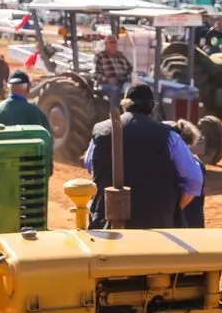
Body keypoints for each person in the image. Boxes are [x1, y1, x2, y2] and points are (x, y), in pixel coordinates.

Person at [83, 83, 203, 229]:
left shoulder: (101, 131)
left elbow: (90, 165)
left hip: (106, 223)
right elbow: (194, 179)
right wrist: (172, 208)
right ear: (152, 106)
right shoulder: (168, 136)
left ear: (124, 104)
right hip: (155, 227)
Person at [92, 34, 132, 109]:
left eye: (115, 42)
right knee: (115, 90)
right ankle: (114, 115)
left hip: (122, 82)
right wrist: (107, 79)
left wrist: (131, 76)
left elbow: (130, 69)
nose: (113, 44)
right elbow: (95, 75)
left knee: (134, 89)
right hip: (105, 84)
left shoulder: (121, 55)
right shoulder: (100, 56)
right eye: (111, 42)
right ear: (106, 44)